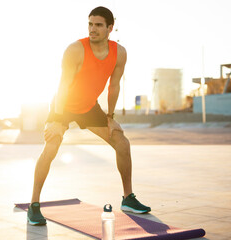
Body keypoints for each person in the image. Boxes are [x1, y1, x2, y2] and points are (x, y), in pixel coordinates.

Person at [27, 6, 151, 226]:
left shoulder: (119, 53)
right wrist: (56, 119)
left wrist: (110, 117)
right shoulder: (75, 49)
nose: (93, 29)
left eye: (98, 25)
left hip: (88, 106)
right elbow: (63, 85)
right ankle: (34, 205)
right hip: (63, 105)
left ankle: (128, 198)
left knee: (122, 142)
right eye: (90, 24)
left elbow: (114, 87)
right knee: (51, 146)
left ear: (110, 28)